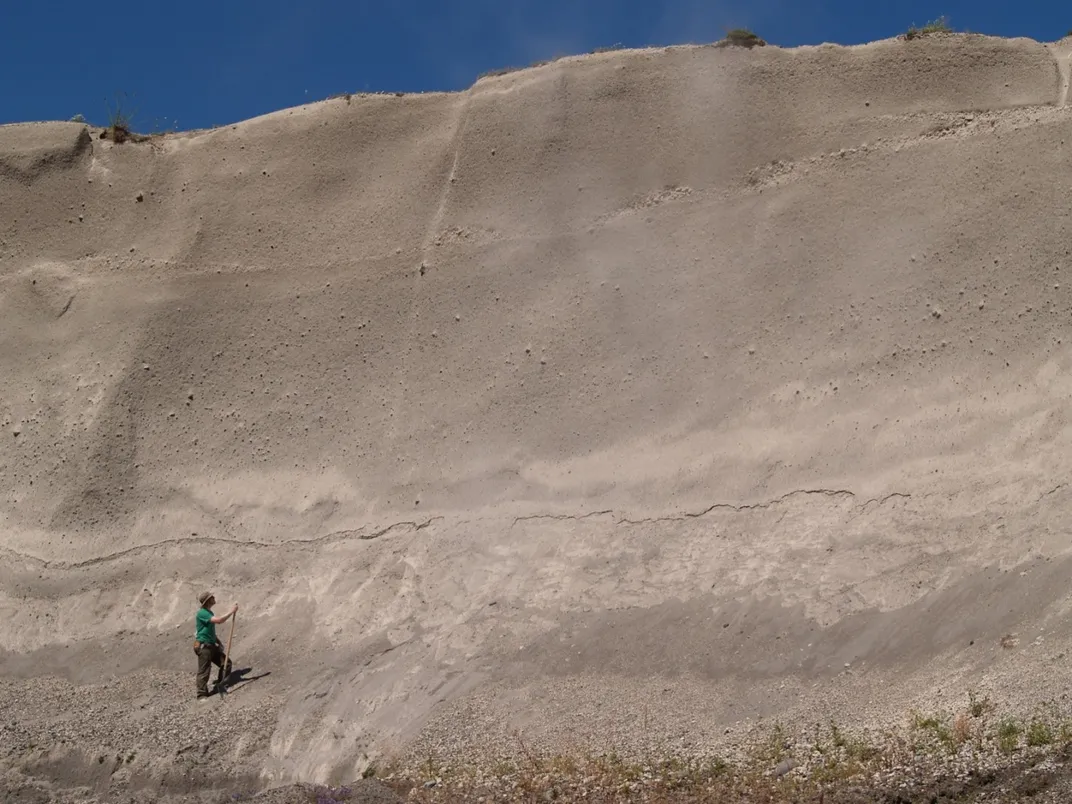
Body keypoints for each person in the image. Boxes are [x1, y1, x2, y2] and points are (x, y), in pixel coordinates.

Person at [194, 591, 238, 699]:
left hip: (211, 644)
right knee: (204, 671)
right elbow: (219, 620)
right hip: (203, 646)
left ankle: (221, 683)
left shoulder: (209, 612)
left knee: (226, 663)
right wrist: (231, 612)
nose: (214, 597)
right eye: (212, 597)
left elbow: (208, 631)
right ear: (208, 601)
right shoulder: (202, 613)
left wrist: (218, 641)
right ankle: (201, 695)